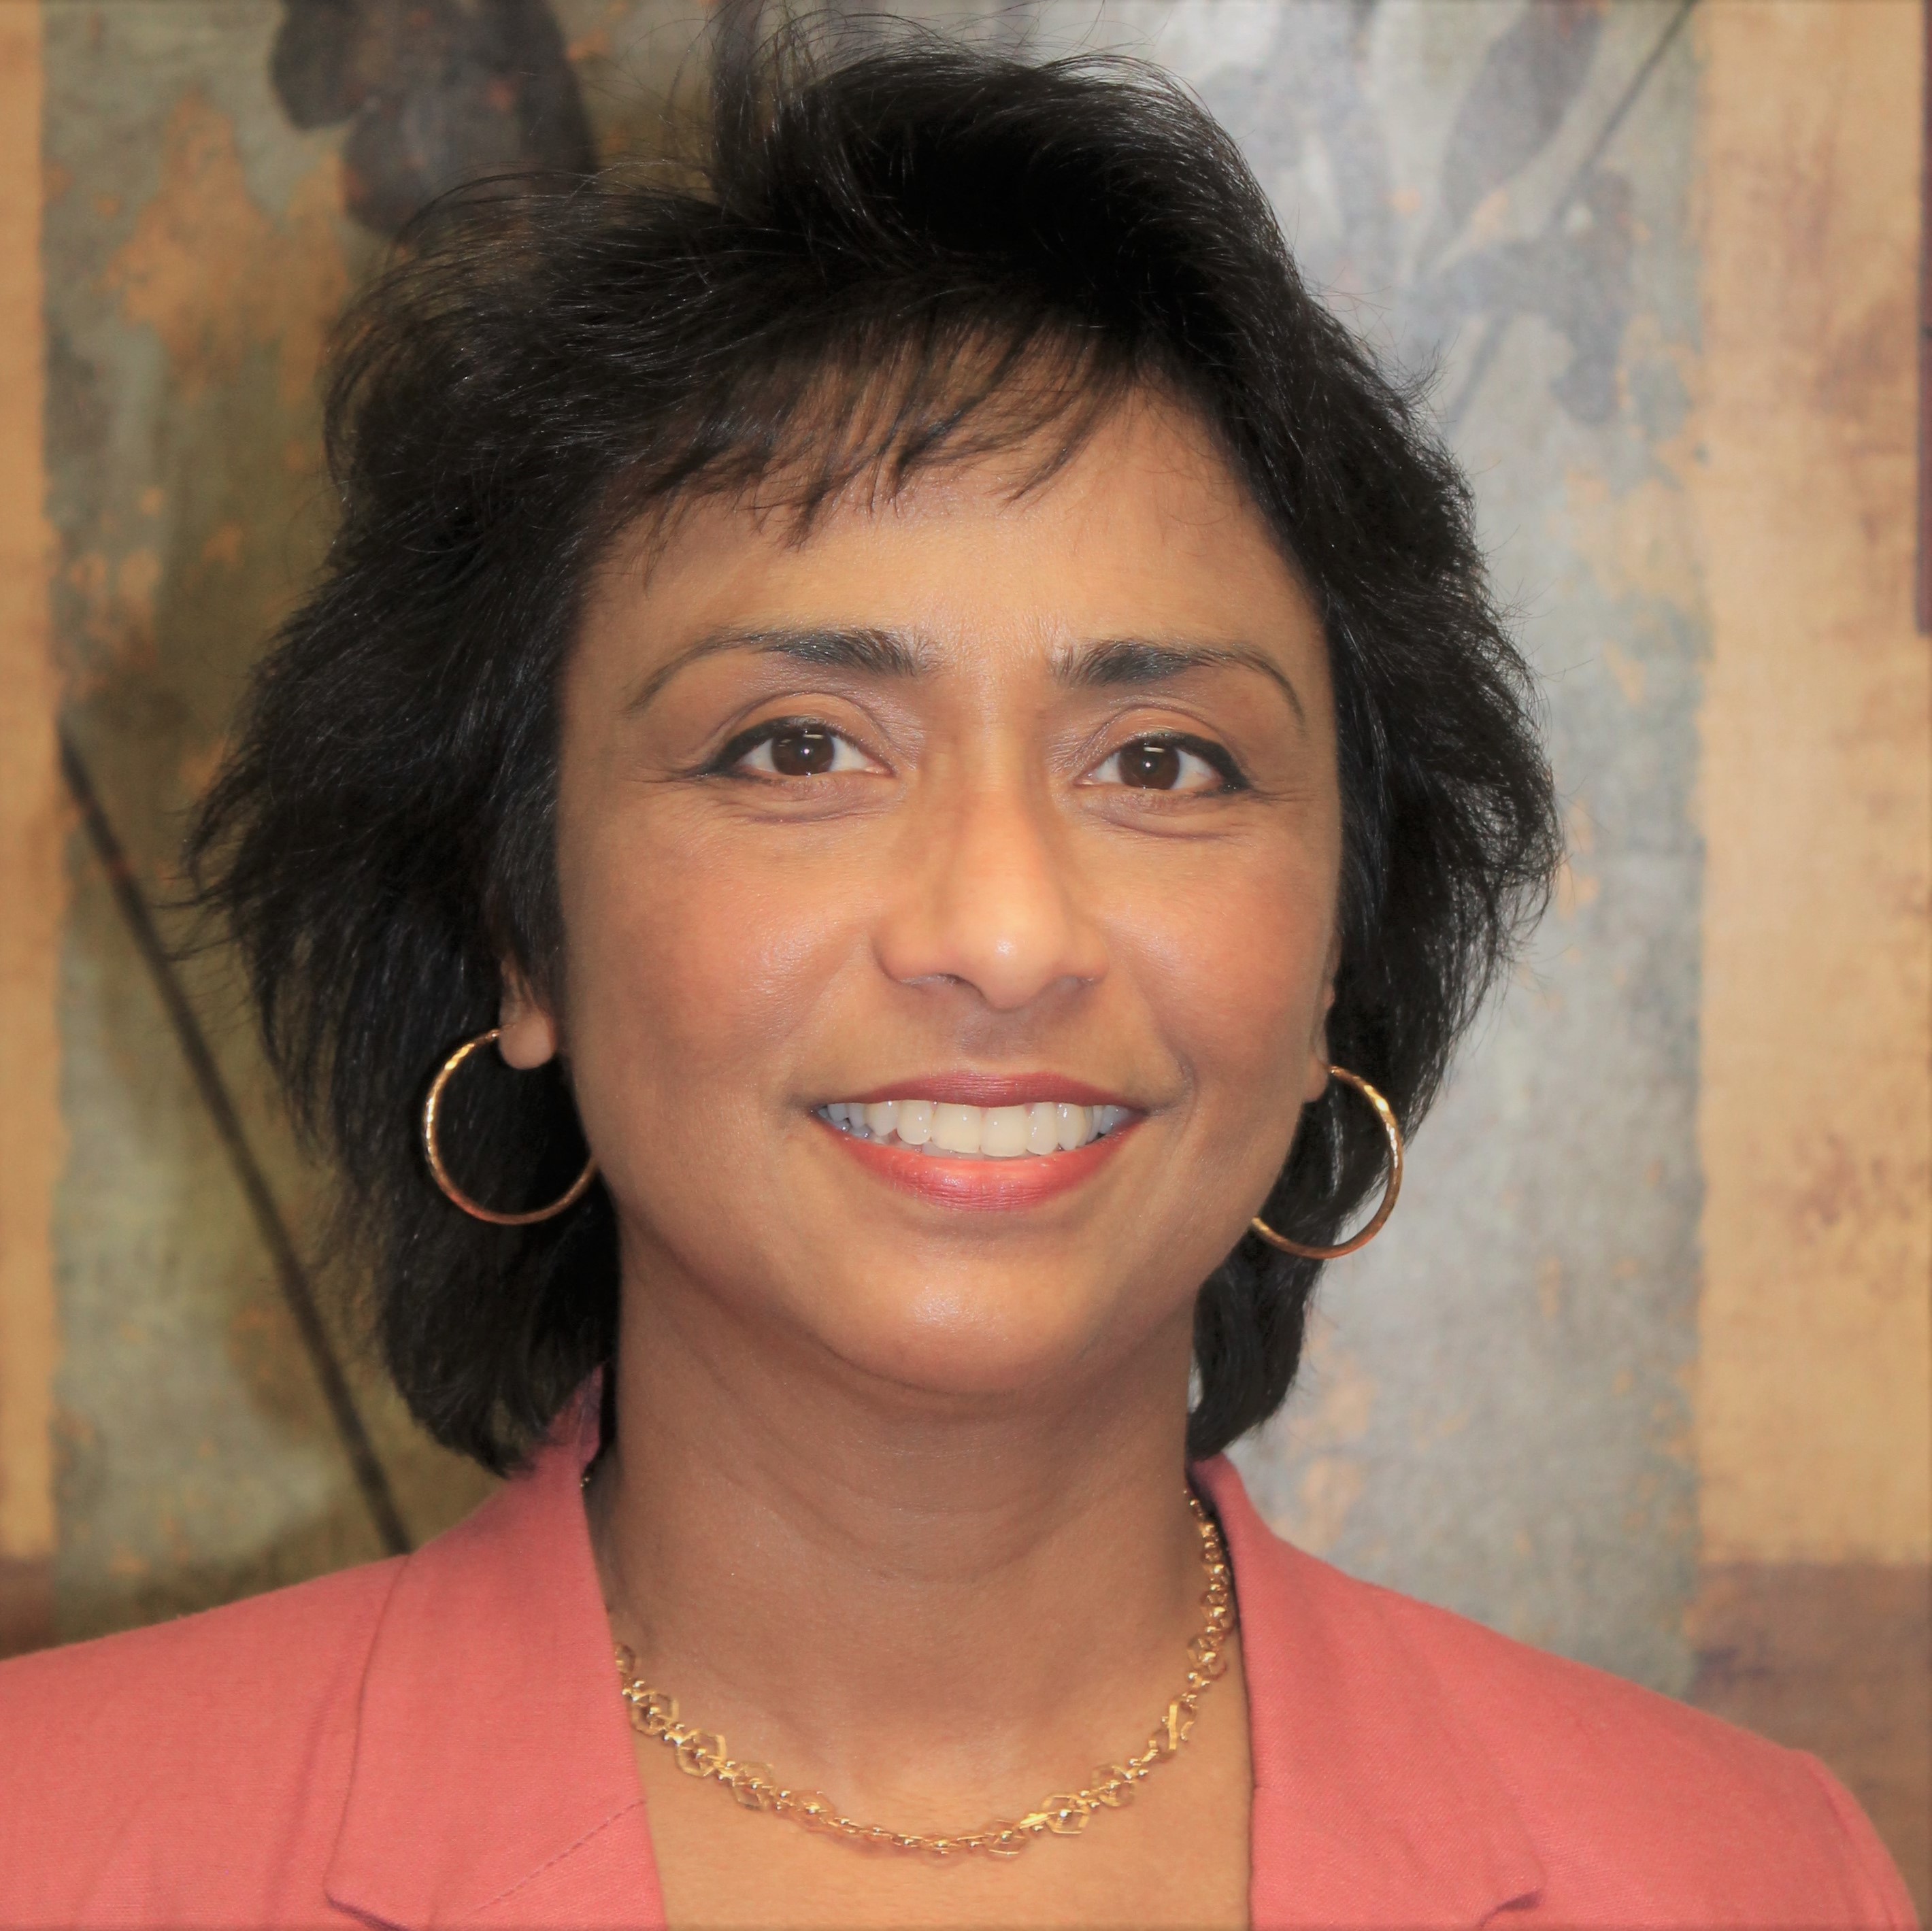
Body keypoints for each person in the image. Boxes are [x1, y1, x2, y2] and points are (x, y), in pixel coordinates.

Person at [0, 15, 1915, 1929]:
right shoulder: (57, 1844)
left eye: (1163, 763)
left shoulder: (1748, 1880)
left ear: (1340, 941)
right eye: (798, 748)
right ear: (522, 924)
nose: (1001, 937)